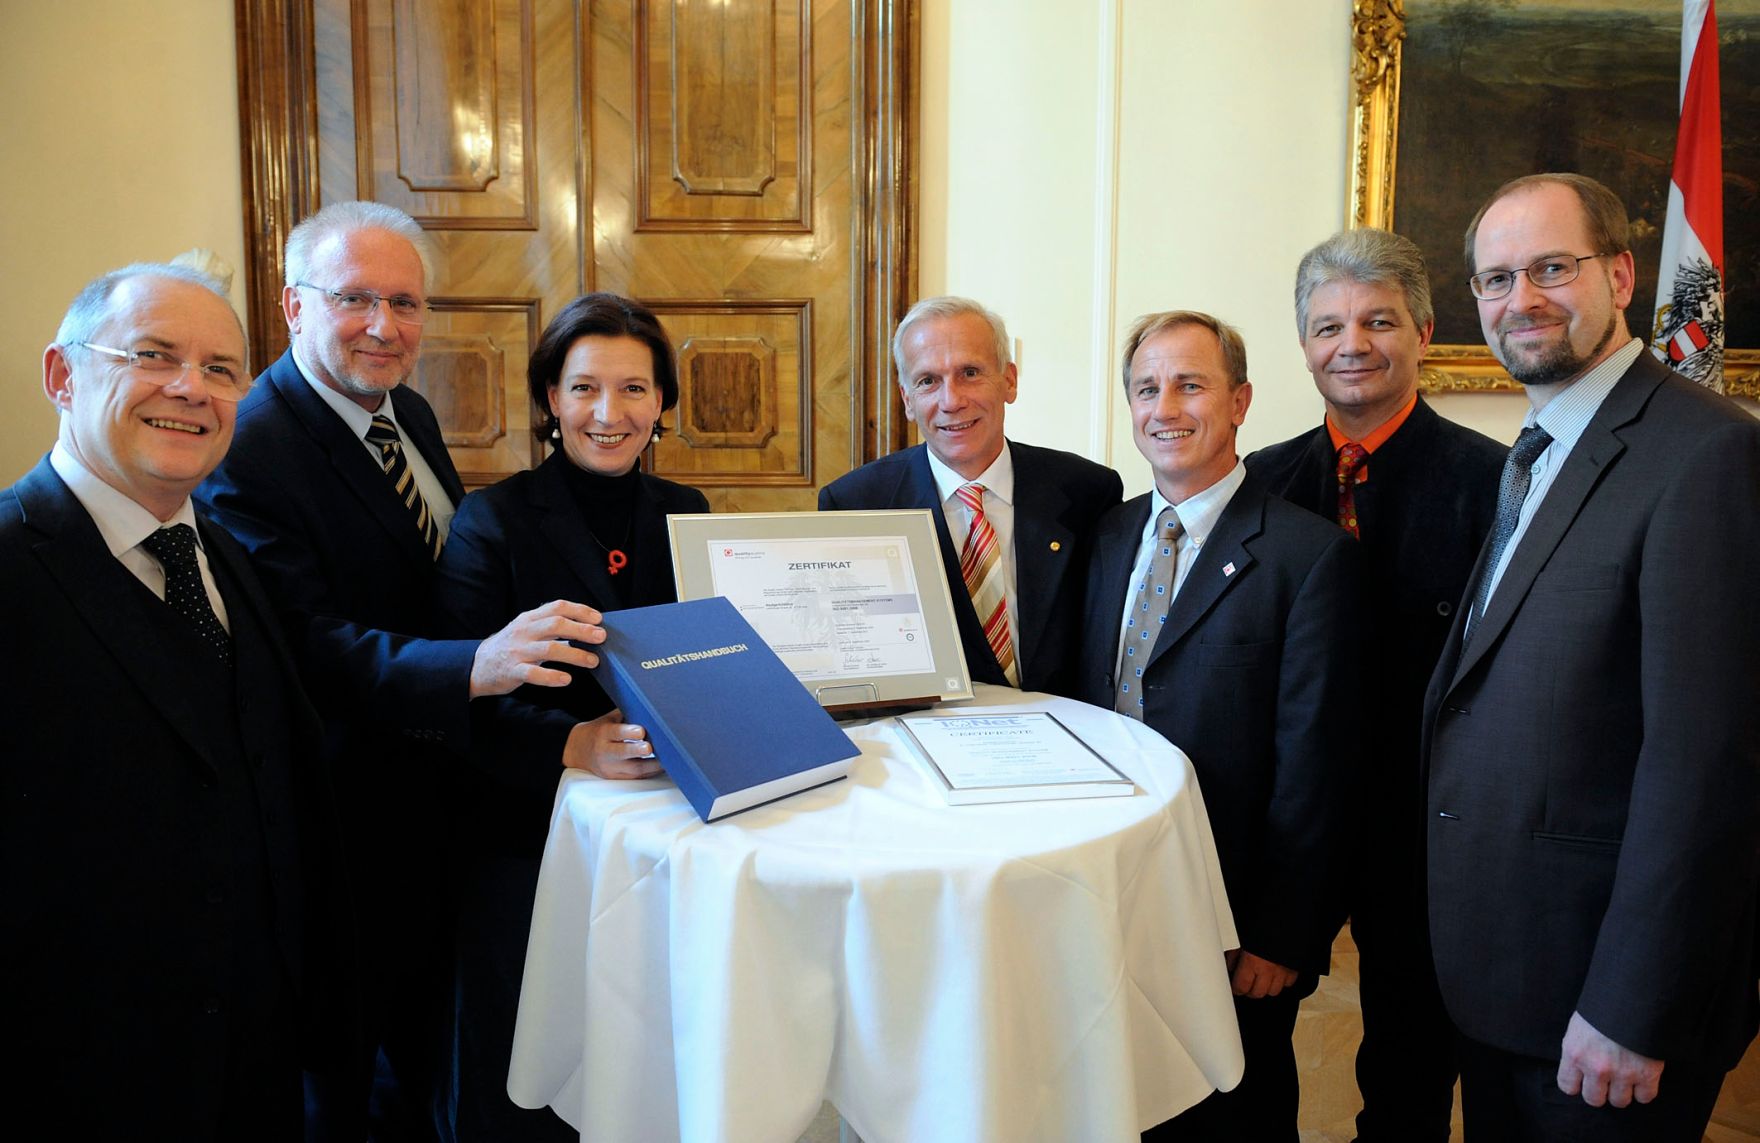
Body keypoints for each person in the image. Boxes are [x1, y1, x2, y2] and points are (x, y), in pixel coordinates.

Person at [197, 201, 604, 1142]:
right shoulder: (252, 444)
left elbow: (433, 578)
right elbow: (307, 644)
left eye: (406, 303)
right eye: (356, 299)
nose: (385, 326)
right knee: (349, 1061)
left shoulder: (404, 409)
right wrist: (479, 662)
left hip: (434, 785)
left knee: (439, 1043)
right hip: (348, 807)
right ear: (293, 306)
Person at [1423, 172, 1760, 1141]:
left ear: (1617, 273)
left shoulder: (1703, 458)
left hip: (1600, 1004)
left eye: (1549, 268)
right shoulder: (1538, 447)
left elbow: (1707, 769)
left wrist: (1630, 1004)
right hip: (1508, 973)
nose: (1518, 299)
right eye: (1494, 279)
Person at [1, 264, 347, 1139]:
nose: (190, 389)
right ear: (61, 375)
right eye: (152, 355)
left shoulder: (223, 554)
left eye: (222, 369)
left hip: (256, 1063)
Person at [1077, 310, 1360, 1141]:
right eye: (1145, 387)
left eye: (1190, 384)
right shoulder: (1110, 534)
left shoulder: (1309, 557)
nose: (1165, 406)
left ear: (1238, 401)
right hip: (1114, 887)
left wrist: (1282, 933)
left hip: (1234, 916)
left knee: (1237, 1106)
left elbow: (1318, 764)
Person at [1246, 228, 1504, 1141]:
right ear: (1304, 344)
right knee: (1249, 1045)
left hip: (1421, 824)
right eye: (1327, 326)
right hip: (1286, 819)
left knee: (1410, 1056)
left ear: (1426, 331)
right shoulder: (1258, 484)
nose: (1351, 343)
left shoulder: (1493, 480)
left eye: (1377, 320)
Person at [430, 292, 705, 1139]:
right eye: (585, 388)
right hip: (528, 838)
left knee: (650, 1050)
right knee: (529, 1067)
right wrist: (571, 744)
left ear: (661, 402)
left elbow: (707, 665)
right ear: (551, 397)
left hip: (668, 832)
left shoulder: (688, 513)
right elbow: (456, 698)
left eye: (633, 389)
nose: (608, 413)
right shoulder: (494, 518)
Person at [818, 296, 1121, 697]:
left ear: (1009, 381)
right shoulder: (856, 504)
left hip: (1068, 733)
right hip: (923, 738)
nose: (951, 401)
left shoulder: (1089, 491)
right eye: (928, 381)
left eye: (970, 372)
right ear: (908, 401)